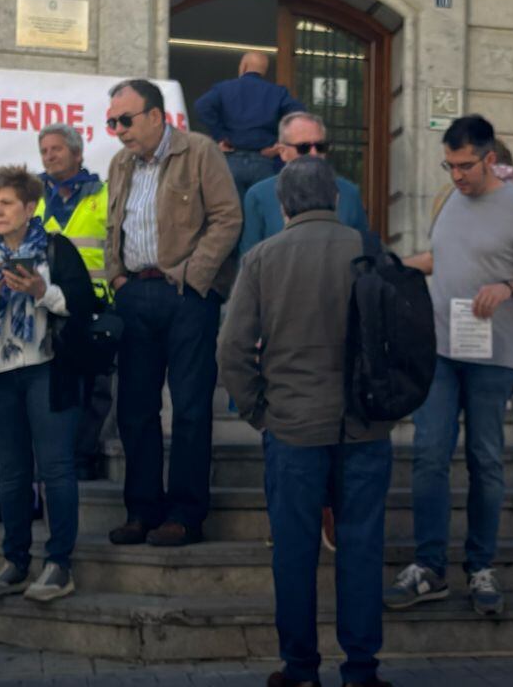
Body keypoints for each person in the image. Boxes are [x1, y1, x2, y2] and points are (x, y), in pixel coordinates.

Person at [219, 157, 396, 687]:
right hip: (364, 427)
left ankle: (299, 672)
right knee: (361, 547)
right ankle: (360, 674)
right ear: (337, 200)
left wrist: (258, 410)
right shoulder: (372, 255)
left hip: (293, 428)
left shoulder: (262, 258)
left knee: (294, 552)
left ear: (283, 204)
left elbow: (230, 348)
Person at [388, 115, 513, 616]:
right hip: (440, 349)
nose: (457, 175)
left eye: (465, 165)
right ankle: (428, 567)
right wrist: (396, 265)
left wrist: (509, 287)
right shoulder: (447, 201)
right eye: (450, 165)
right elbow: (444, 258)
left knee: (485, 461)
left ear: (490, 159)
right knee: (428, 455)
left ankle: (480, 566)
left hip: (493, 356)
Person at [102, 77, 242, 547]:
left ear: (157, 116)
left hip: (187, 296)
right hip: (134, 294)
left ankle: (184, 513)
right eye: (112, 121)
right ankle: (142, 510)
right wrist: (116, 275)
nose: (118, 129)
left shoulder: (199, 151)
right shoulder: (120, 163)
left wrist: (194, 275)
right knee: (135, 409)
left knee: (190, 407)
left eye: (126, 119)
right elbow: (113, 223)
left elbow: (228, 217)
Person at [0, 165, 97, 602]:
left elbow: (83, 307)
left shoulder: (56, 251)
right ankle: (15, 561)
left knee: (56, 470)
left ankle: (59, 563)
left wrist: (42, 291)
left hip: (49, 371)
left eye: (5, 203)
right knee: (12, 474)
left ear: (30, 207)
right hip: (0, 378)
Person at [36, 122, 112, 480]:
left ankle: (84, 456)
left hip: (95, 305)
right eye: (44, 151)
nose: (49, 156)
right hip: (45, 305)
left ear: (78, 154)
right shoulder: (33, 197)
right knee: (53, 385)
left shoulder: (105, 194)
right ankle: (56, 457)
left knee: (96, 385)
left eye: (57, 149)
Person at [237, 111, 371, 257]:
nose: (313, 154)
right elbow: (248, 257)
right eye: (304, 148)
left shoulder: (349, 193)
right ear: (282, 152)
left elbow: (365, 253)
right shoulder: (259, 195)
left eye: (320, 147)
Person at [192, 50, 304, 200]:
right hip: (264, 161)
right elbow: (299, 114)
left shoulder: (224, 89)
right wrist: (280, 143)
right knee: (262, 212)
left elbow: (201, 106)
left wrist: (220, 136)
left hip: (231, 160)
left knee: (230, 212)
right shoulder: (277, 93)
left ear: (243, 66)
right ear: (264, 70)